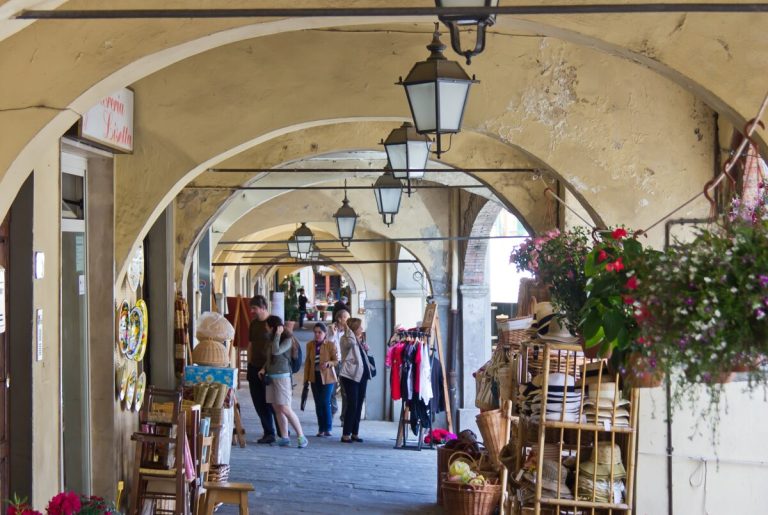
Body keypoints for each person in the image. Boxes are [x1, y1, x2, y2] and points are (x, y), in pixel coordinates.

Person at [258, 315, 308, 448]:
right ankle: (284, 437)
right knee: (276, 408)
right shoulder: (271, 339)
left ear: (273, 327)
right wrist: (263, 369)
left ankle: (301, 436)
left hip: (282, 377)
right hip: (271, 377)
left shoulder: (288, 339)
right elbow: (270, 358)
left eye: (267, 326)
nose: (266, 328)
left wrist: (278, 334)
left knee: (285, 408)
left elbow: (276, 351)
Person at [247, 295, 279, 444]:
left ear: (263, 307)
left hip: (269, 369)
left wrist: (266, 367)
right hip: (254, 367)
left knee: (273, 402)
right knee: (259, 402)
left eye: (255, 308)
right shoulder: (253, 324)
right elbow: (251, 344)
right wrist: (249, 363)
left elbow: (277, 347)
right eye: (251, 308)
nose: (252, 311)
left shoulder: (273, 322)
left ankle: (282, 430)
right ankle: (269, 432)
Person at [303, 322, 339, 437]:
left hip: (328, 378)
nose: (317, 335)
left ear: (325, 333)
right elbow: (308, 363)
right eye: (315, 332)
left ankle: (327, 427)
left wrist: (328, 363)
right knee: (318, 403)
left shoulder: (330, 345)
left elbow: (336, 361)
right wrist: (306, 379)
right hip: (315, 377)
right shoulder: (310, 345)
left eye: (320, 332)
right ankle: (321, 428)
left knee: (325, 401)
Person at [339, 317, 371, 443]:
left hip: (362, 375)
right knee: (352, 404)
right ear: (354, 329)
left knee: (358, 404)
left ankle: (355, 433)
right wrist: (348, 330)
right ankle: (345, 434)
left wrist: (364, 347)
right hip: (350, 376)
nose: (362, 329)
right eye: (360, 327)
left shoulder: (359, 340)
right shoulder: (346, 339)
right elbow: (351, 343)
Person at [328, 309, 350, 421]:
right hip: (333, 363)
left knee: (345, 392)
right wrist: (333, 333)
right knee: (331, 390)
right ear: (340, 319)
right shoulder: (329, 329)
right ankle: (333, 409)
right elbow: (328, 345)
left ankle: (344, 418)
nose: (348, 320)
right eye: (346, 318)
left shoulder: (349, 331)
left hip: (345, 363)